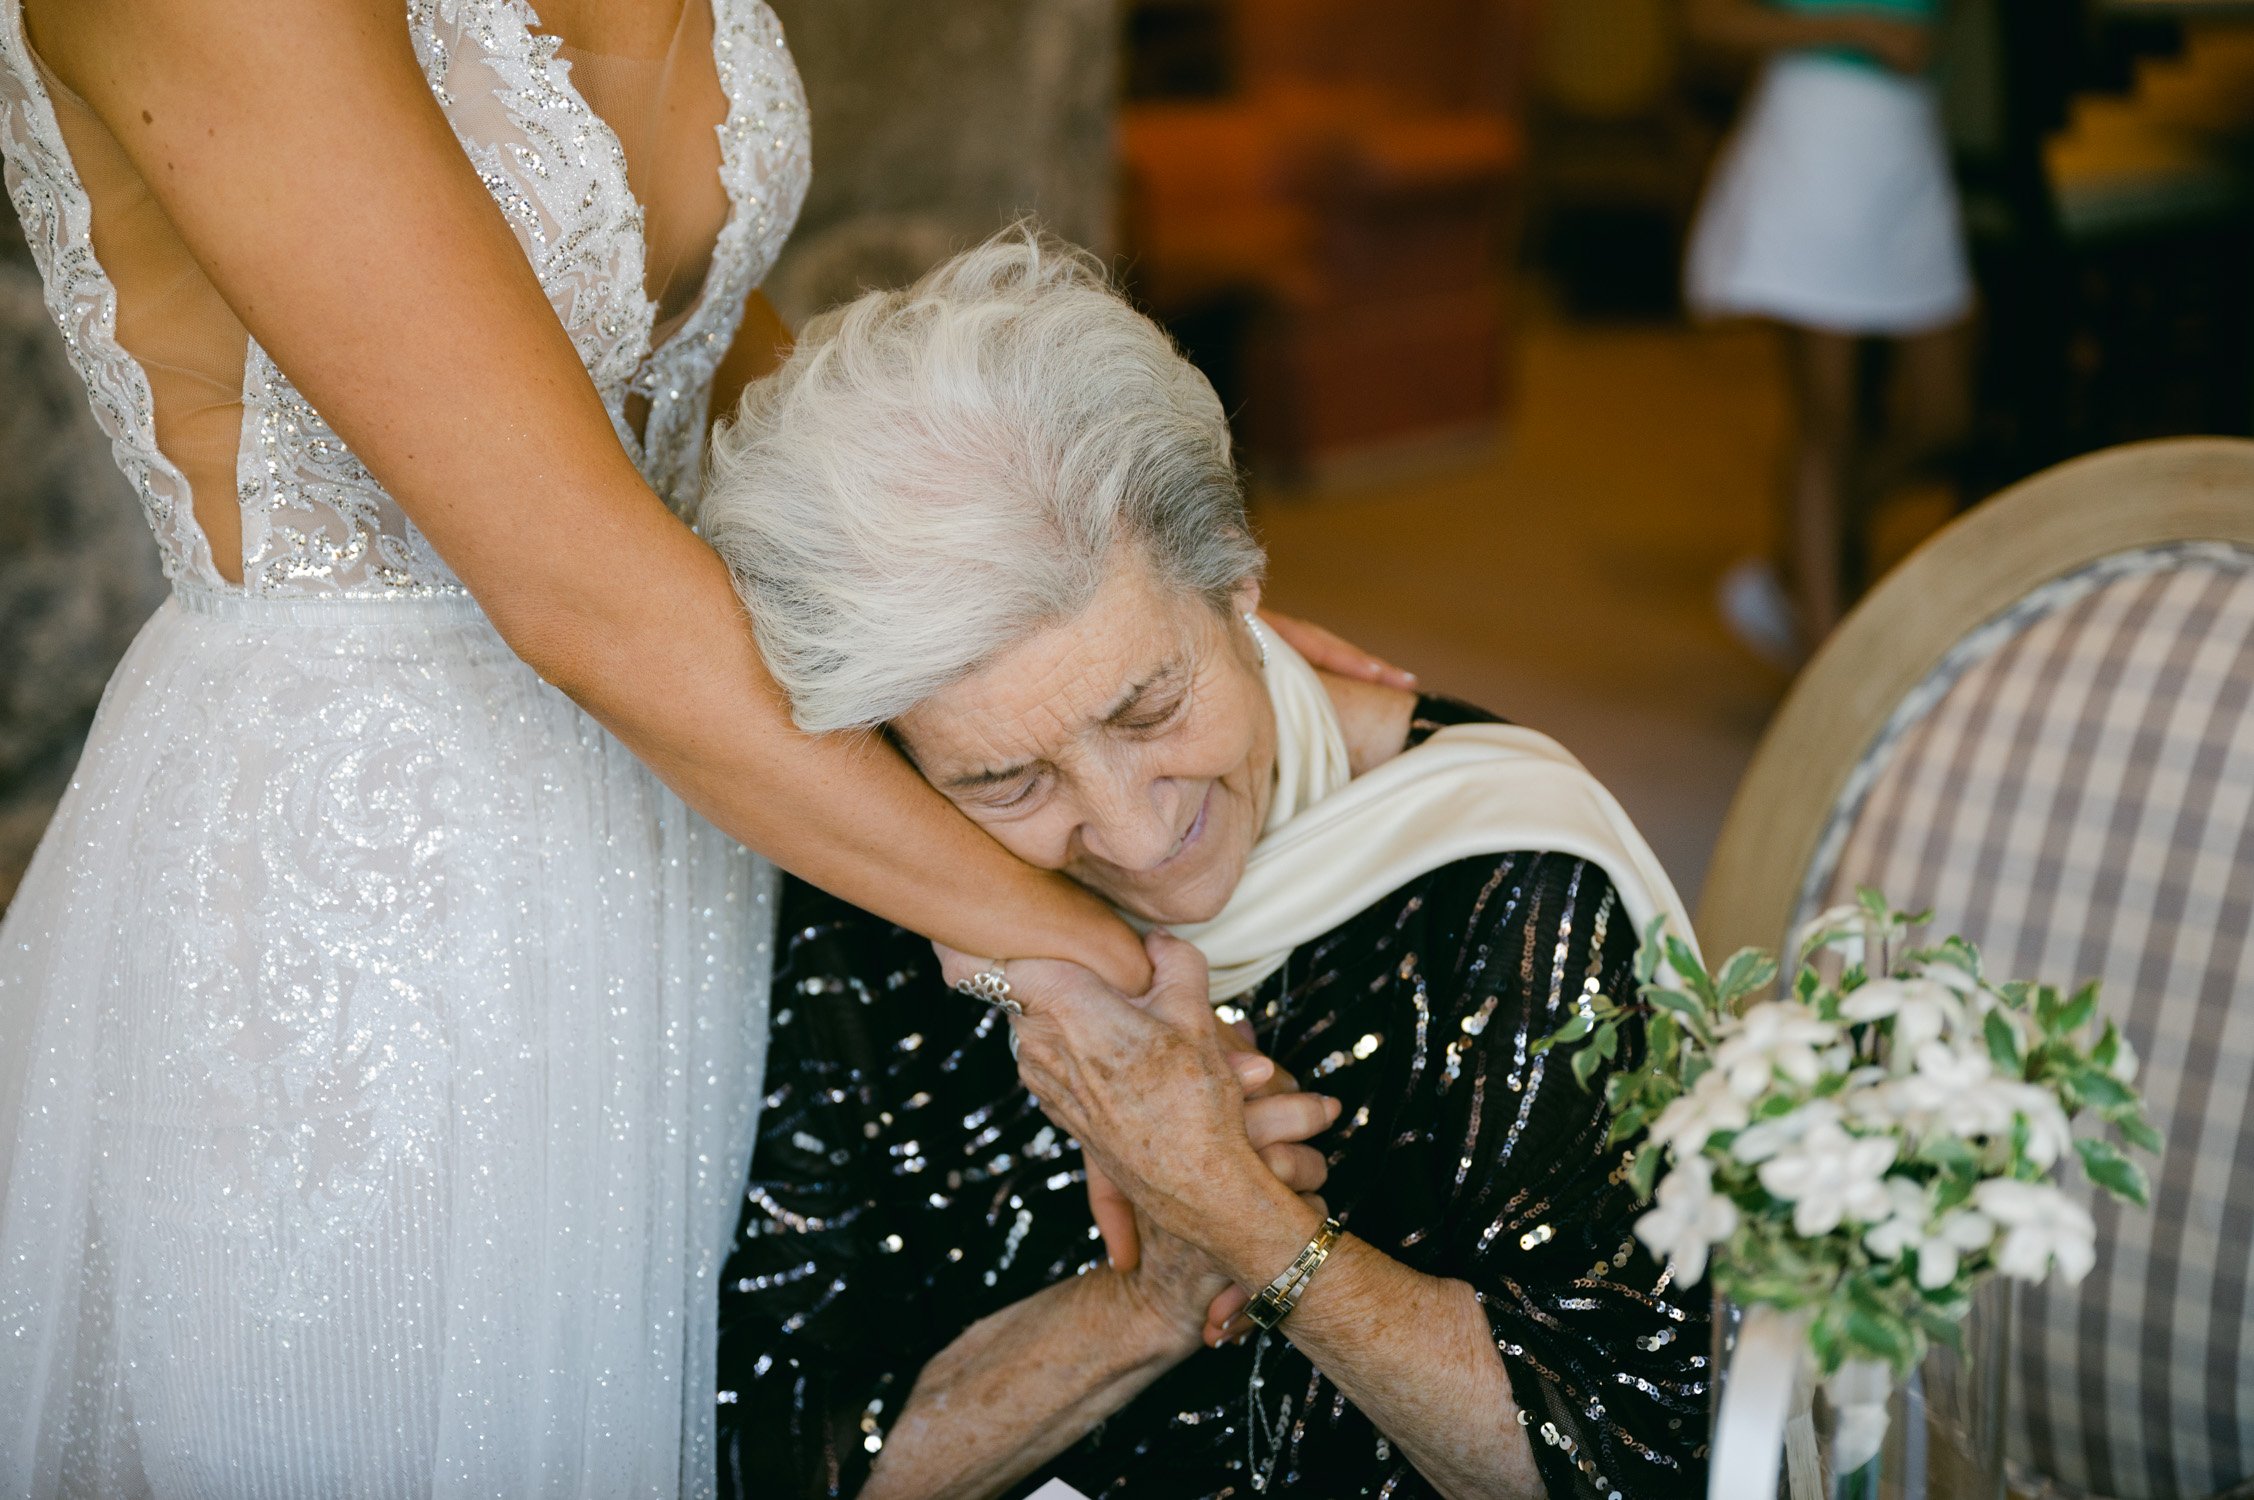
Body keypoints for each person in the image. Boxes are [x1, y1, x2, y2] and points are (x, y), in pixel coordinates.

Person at [0, 4, 1400, 1493]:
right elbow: (578, 586)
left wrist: (1124, 613)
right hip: (365, 909)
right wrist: (1099, 971)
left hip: (687, 840)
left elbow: (687, 350)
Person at [701, 232, 1710, 1499]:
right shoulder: (872, 889)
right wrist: (1150, 1302)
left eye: (1149, 706)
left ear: (1239, 582)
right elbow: (763, 1452)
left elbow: (1639, 1461)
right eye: (1007, 781)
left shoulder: (1506, 886)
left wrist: (1238, 1211)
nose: (1128, 835)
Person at [1684, 0, 1975, 663]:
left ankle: (1797, 560)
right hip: (1813, 138)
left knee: (1945, 416)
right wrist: (1854, 30)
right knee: (1828, 418)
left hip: (1909, 143)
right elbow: (1703, 21)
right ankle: (1823, 662)